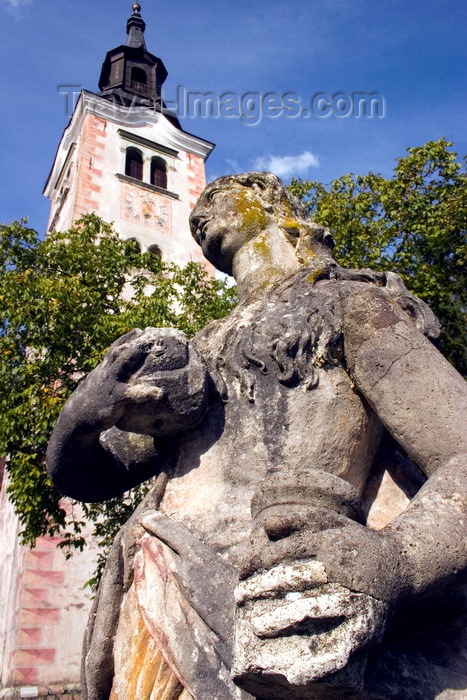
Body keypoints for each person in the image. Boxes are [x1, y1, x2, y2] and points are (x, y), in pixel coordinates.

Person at [47, 172, 467, 700]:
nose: (199, 215)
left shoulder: (350, 304)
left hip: (295, 595)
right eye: (196, 212)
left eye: (219, 196)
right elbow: (90, 478)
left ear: (271, 202)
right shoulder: (196, 353)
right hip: (162, 593)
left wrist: (399, 562)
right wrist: (80, 419)